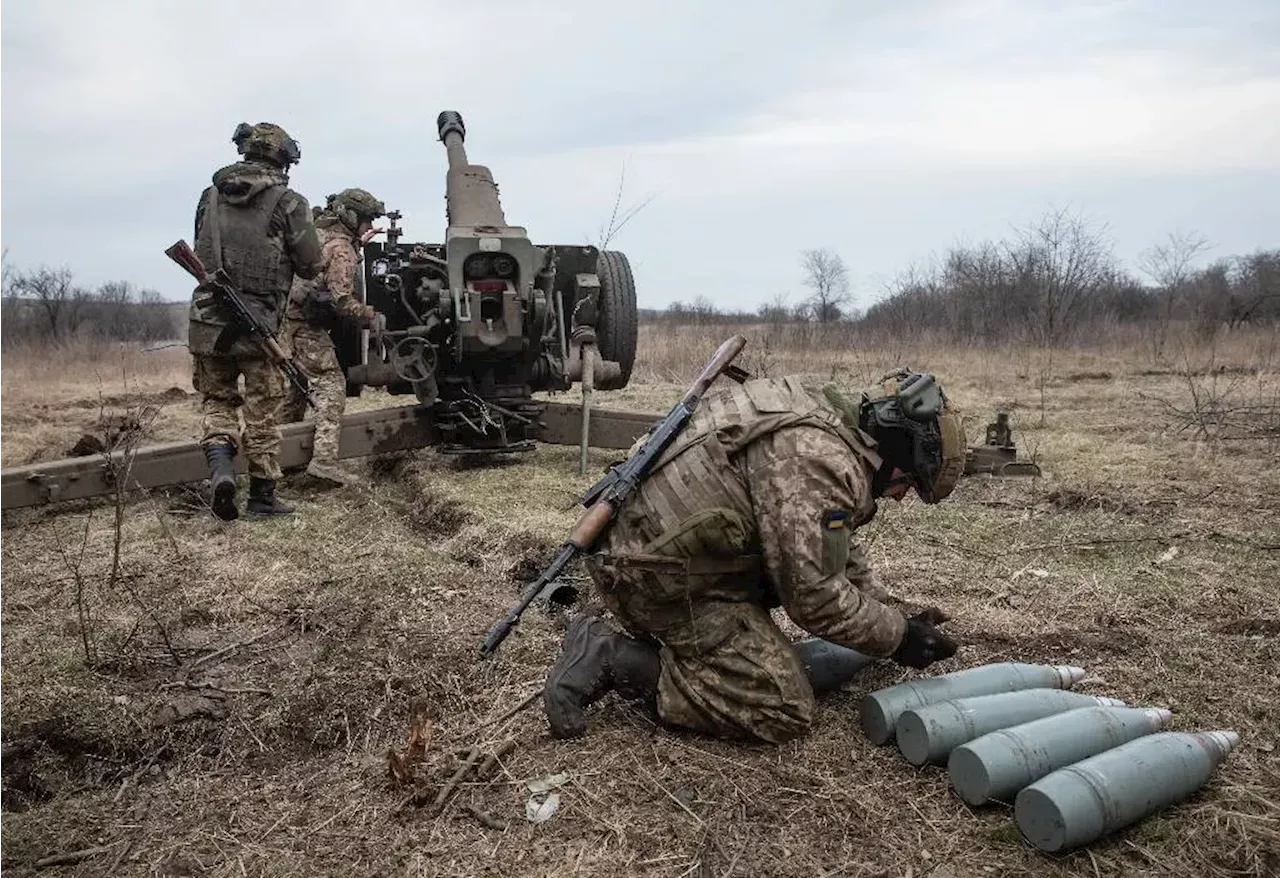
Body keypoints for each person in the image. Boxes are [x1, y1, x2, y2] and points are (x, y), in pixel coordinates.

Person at [542, 368, 967, 744]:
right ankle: (611, 655)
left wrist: (892, 613)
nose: (898, 497)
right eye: (907, 483)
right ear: (895, 450)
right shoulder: (818, 460)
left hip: (653, 550)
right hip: (656, 582)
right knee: (782, 706)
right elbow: (814, 598)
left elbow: (829, 544)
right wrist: (898, 638)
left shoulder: (822, 411)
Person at [188, 122, 323, 521]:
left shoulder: (209, 196)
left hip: (209, 321)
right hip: (259, 327)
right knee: (262, 412)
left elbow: (202, 249)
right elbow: (311, 264)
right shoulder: (290, 202)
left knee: (218, 401)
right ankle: (263, 498)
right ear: (283, 159)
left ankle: (223, 470)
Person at [278, 188, 388, 484]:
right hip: (304, 325)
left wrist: (357, 246)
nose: (367, 226)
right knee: (331, 384)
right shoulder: (341, 248)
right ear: (350, 217)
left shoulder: (318, 233)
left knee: (296, 388)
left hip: (283, 321)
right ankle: (324, 461)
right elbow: (342, 300)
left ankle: (275, 459)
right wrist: (370, 313)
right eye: (365, 220)